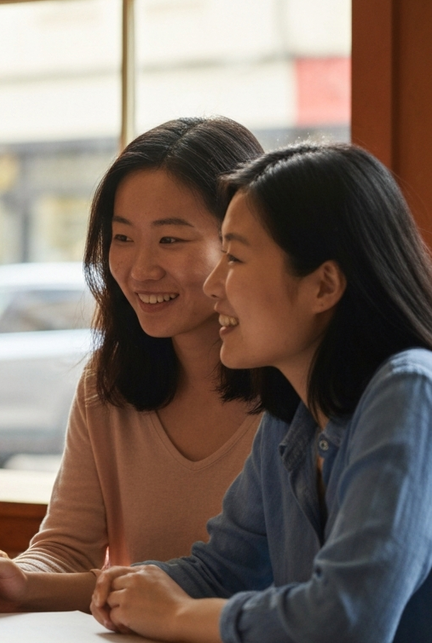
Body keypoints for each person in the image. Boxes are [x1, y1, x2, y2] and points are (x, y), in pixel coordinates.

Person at [91, 143, 432, 642]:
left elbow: (348, 618)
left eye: (234, 257)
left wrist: (173, 615)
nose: (213, 285)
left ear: (323, 286)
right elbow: (223, 571)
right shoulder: (292, 413)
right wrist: (135, 587)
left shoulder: (410, 390)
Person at [0, 117, 264, 614]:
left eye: (170, 240)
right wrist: (10, 576)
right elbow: (66, 548)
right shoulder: (107, 382)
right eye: (123, 238)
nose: (140, 269)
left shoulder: (300, 386)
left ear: (239, 243)